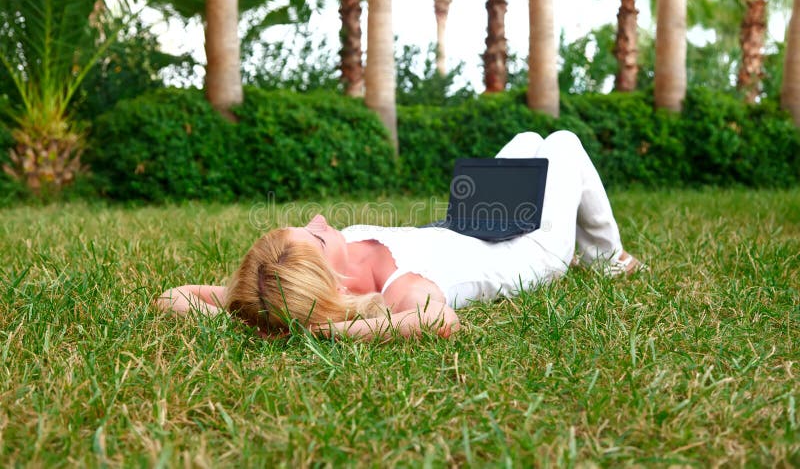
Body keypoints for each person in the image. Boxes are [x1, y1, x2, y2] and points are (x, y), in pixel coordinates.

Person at [157, 130, 644, 340]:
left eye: (307, 228)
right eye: (318, 238)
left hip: (478, 225)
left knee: (527, 144)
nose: (320, 221)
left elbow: (171, 298)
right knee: (562, 144)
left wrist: (244, 306)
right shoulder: (400, 288)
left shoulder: (275, 288)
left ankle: (594, 249)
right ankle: (608, 259)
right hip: (530, 249)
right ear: (339, 285)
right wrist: (332, 330)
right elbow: (440, 321)